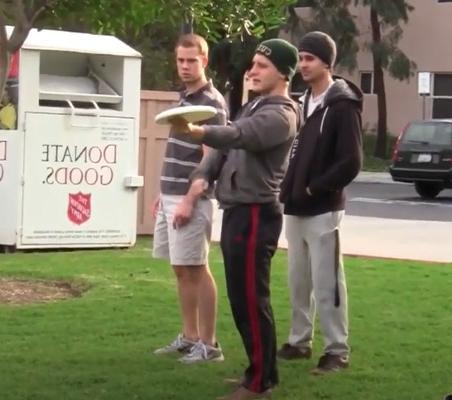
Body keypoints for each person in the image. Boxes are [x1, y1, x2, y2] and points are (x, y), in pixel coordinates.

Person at [172, 38, 300, 400]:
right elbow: (224, 149)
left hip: (257, 214)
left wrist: (200, 131)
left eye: (262, 65)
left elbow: (240, 135)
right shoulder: (256, 105)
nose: (252, 70)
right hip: (238, 213)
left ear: (283, 73)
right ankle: (259, 373)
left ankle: (259, 385)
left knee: (252, 300)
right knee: (241, 300)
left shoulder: (282, 113)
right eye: (253, 63)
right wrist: (202, 173)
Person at [277, 31, 363, 375]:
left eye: (309, 58)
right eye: (300, 58)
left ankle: (336, 350)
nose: (302, 65)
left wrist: (316, 188)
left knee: (327, 282)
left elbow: (351, 161)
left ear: (327, 62)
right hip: (295, 206)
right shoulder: (301, 103)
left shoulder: (342, 105)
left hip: (323, 207)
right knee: (298, 280)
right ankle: (299, 342)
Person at [152, 33, 228, 363]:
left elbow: (211, 158)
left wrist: (188, 198)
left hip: (191, 198)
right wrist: (165, 194)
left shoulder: (212, 103)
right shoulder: (184, 98)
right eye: (180, 60)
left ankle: (210, 346)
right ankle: (189, 337)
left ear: (204, 61)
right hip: (169, 195)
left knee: (198, 269)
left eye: (191, 60)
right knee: (181, 270)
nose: (184, 66)